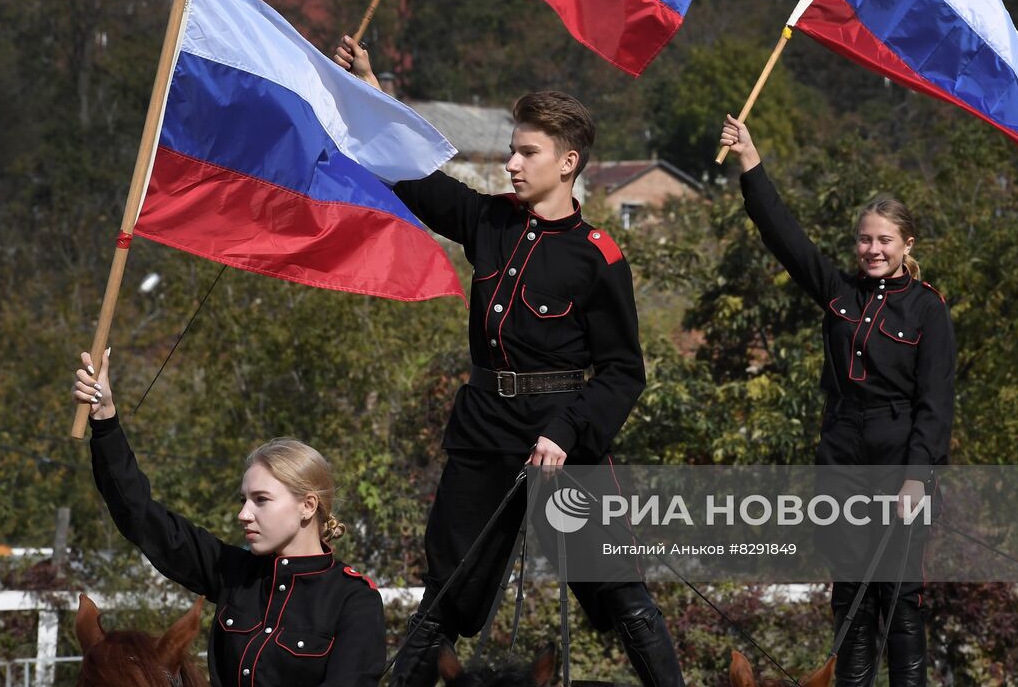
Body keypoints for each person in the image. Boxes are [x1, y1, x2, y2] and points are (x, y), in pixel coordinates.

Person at [334, 36, 685, 687]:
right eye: (512, 150)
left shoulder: (599, 257)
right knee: (445, 593)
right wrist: (370, 89)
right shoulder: (490, 221)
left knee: (618, 589)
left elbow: (622, 372)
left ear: (568, 161)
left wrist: (565, 432)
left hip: (563, 437)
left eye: (527, 152)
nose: (513, 164)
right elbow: (414, 178)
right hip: (484, 432)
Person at [719, 115, 955, 687]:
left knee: (899, 602)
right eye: (865, 239)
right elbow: (783, 234)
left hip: (900, 462)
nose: (873, 250)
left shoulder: (927, 309)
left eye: (885, 241)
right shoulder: (838, 290)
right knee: (851, 600)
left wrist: (916, 479)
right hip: (842, 458)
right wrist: (751, 162)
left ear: (907, 246)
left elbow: (936, 405)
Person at [72, 350, 386, 687]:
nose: (243, 514)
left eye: (261, 500)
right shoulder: (233, 572)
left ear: (307, 505)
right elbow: (139, 515)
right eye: (243, 499)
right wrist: (105, 419)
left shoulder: (354, 600)